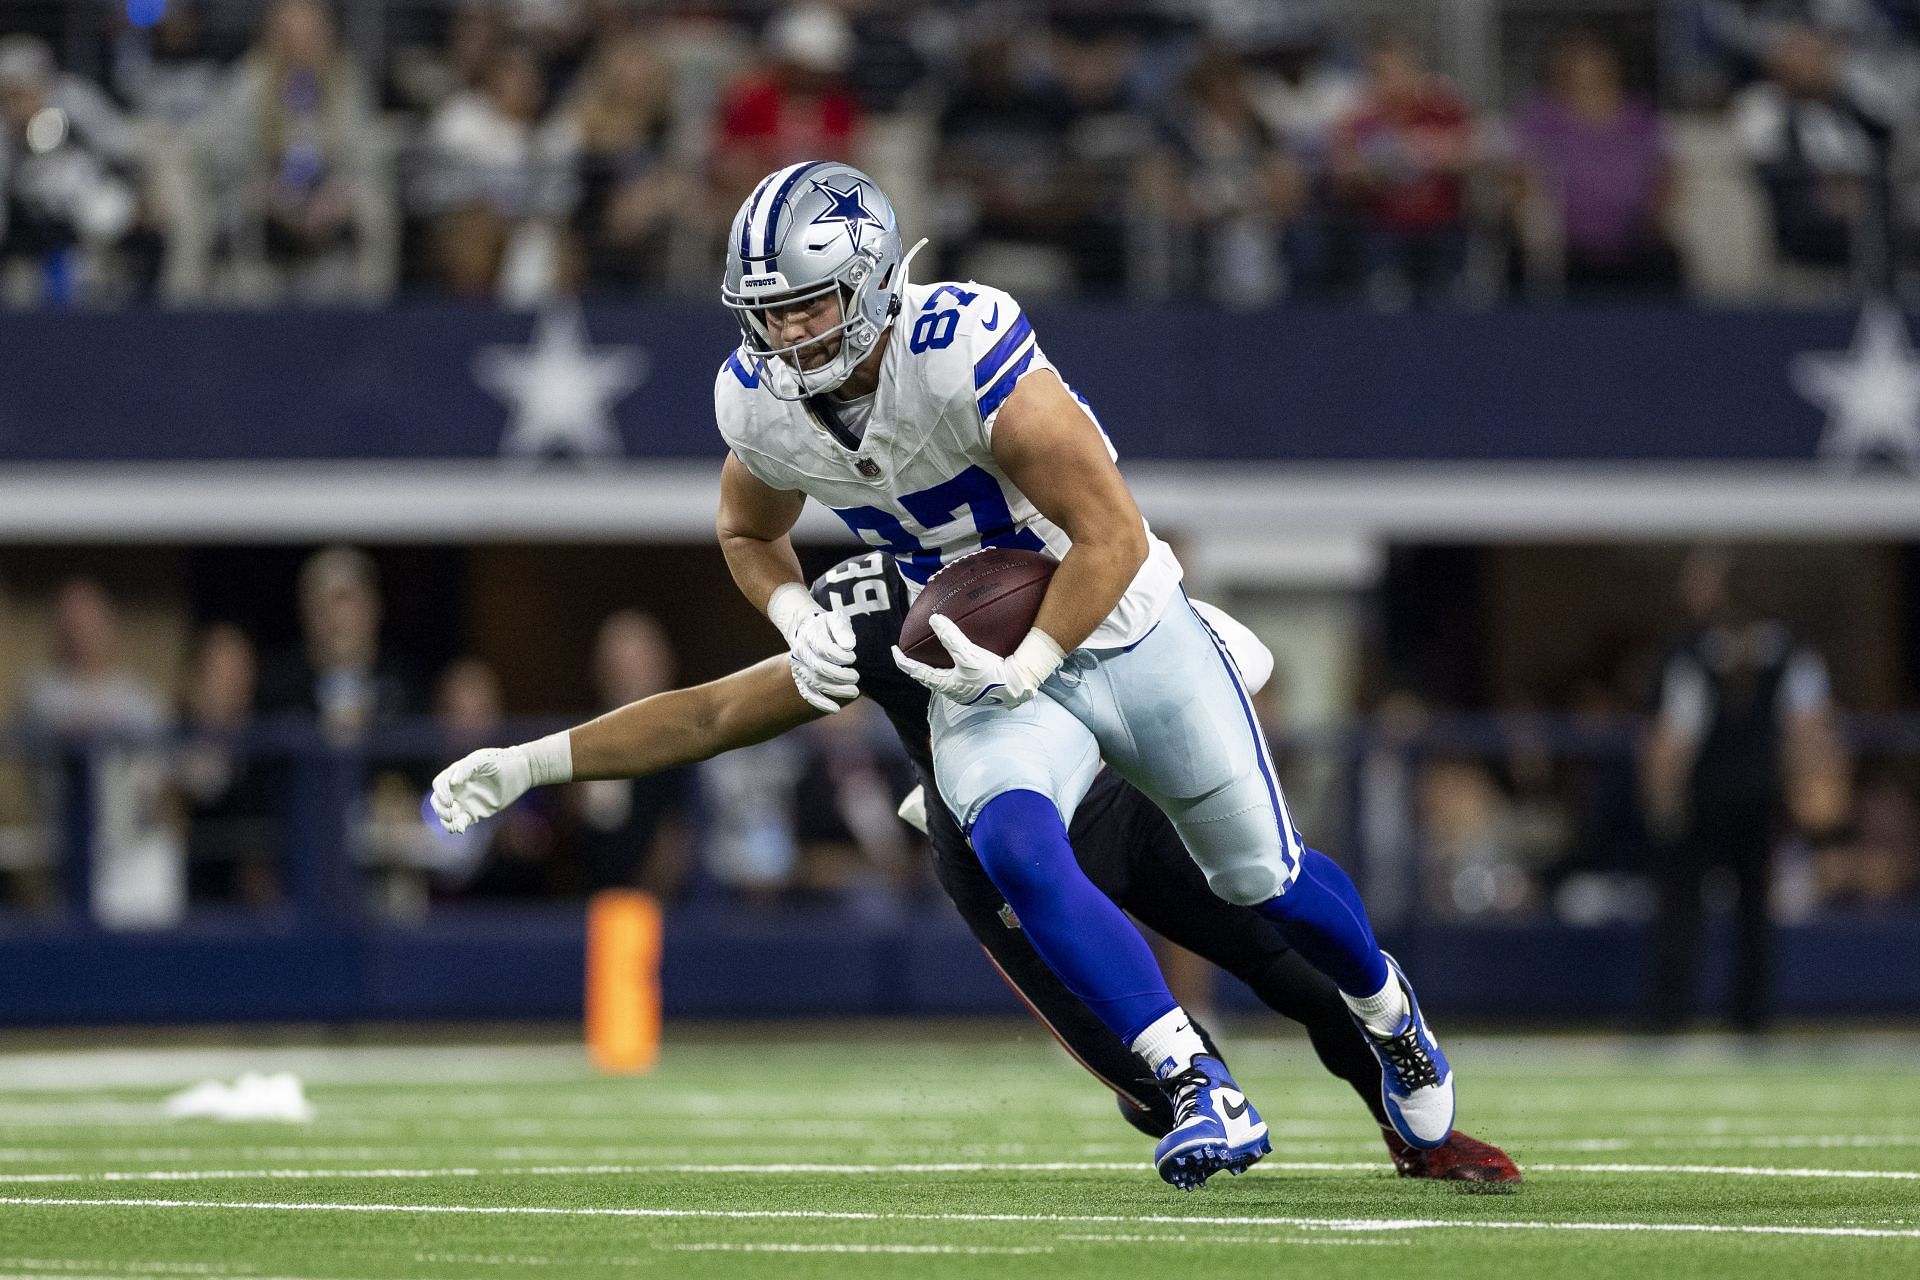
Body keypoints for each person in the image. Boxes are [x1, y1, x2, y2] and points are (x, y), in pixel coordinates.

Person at [704, 161, 1450, 1190]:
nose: (790, 337)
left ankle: (1389, 1011)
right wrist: (794, 612)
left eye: (811, 306)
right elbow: (746, 528)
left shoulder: (959, 346)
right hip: (979, 649)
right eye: (771, 314)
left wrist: (1037, 657)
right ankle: (1195, 1083)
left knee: (1258, 879)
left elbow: (1110, 532)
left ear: (875, 280)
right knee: (1009, 837)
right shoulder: (759, 404)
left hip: (1125, 620)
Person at [432, 549, 1519, 1184]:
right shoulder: (865, 597)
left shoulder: (1041, 509)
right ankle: (1195, 1089)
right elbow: (717, 708)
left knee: (1289, 963)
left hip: (1116, 786)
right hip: (992, 824)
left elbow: (1194, 633)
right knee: (1143, 1087)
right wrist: (533, 759)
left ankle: (1405, 1115)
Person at [1641, 549, 1849, 1033]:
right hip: (1755, 798)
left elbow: (1675, 741)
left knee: (1687, 908)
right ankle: (1748, 1018)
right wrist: (1817, 794)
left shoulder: (1695, 652)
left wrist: (1662, 801)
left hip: (1710, 801)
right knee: (1749, 910)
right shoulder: (1788, 653)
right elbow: (1810, 733)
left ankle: (1671, 1016)